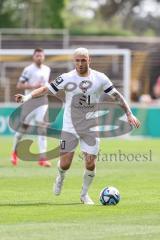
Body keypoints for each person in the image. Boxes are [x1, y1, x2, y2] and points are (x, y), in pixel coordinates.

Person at [15, 47, 140, 204]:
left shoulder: (100, 78)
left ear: (89, 60)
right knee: (66, 164)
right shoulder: (67, 78)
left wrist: (129, 114)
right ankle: (60, 177)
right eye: (77, 60)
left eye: (83, 60)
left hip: (90, 127)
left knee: (90, 162)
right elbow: (46, 88)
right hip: (70, 126)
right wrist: (27, 98)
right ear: (74, 61)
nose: (80, 63)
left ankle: (84, 194)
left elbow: (116, 95)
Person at [12, 48, 51, 167]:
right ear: (33, 57)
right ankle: (14, 152)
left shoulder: (47, 69)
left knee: (42, 127)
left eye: (41, 56)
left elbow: (46, 85)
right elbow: (19, 84)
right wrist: (33, 86)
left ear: (44, 57)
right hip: (29, 102)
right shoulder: (28, 70)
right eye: (37, 56)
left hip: (42, 102)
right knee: (22, 129)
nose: (39, 57)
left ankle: (42, 158)